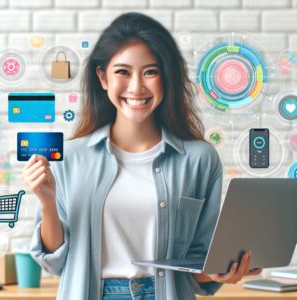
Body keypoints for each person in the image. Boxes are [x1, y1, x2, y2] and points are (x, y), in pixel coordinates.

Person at [23, 12, 262, 300]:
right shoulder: (70, 157)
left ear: (166, 78)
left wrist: (222, 270)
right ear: (102, 78)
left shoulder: (200, 159)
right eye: (122, 72)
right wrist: (47, 202)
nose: (136, 87)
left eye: (151, 72)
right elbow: (55, 262)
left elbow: (197, 266)